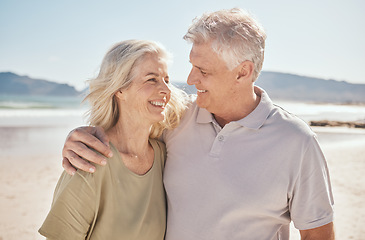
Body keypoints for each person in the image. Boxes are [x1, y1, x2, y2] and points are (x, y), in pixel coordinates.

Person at [61, 8, 335, 239]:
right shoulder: (176, 117)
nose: (190, 80)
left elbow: (317, 234)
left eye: (203, 71)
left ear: (243, 72)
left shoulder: (297, 142)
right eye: (192, 66)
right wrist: (82, 136)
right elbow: (128, 119)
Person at [39, 39, 188, 239]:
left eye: (166, 80)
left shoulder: (164, 154)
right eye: (151, 79)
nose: (166, 90)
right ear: (120, 89)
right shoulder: (89, 160)